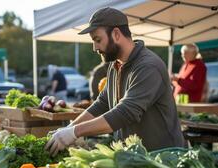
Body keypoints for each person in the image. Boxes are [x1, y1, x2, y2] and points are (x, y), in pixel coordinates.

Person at [45, 7, 186, 156]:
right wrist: (70, 128)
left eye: (98, 40)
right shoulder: (115, 65)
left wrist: (74, 132)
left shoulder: (148, 66)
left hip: (165, 157)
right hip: (135, 157)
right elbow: (103, 103)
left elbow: (125, 113)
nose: (95, 47)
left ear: (116, 34)